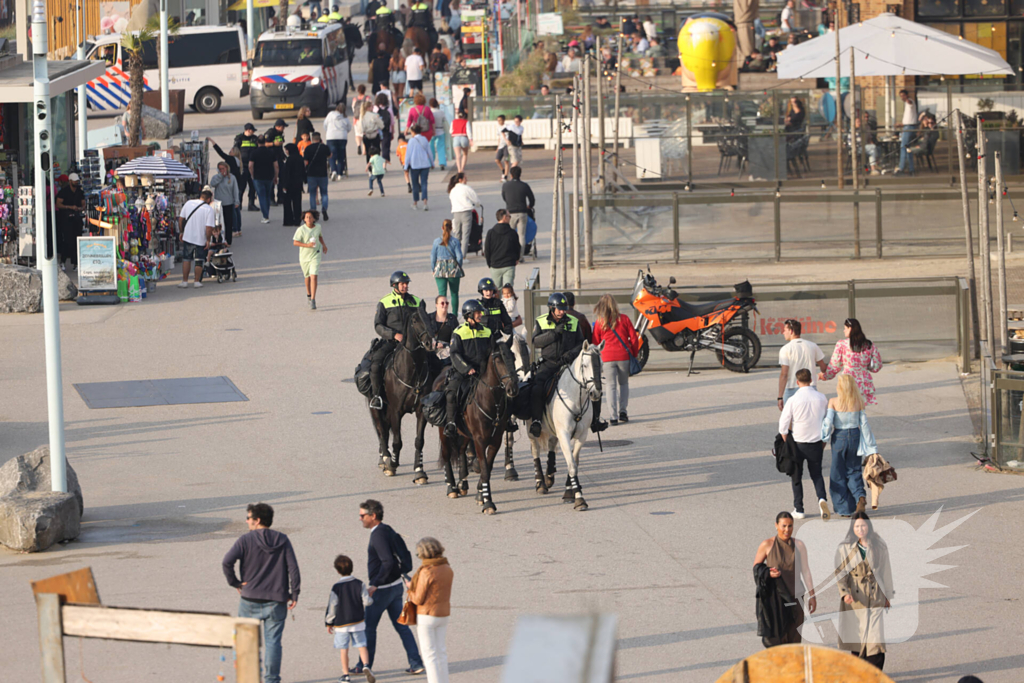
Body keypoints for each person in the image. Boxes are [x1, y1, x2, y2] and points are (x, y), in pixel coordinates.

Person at [222, 503, 301, 683]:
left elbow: (227, 562)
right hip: (277, 600)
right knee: (273, 642)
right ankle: (272, 679)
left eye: (249, 518)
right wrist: (294, 593)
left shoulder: (245, 540)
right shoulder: (283, 540)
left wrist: (235, 583)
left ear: (257, 520)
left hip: (249, 599)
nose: (246, 521)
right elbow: (293, 569)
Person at [358, 499, 425, 674]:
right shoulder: (387, 529)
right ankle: (416, 663)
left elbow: (387, 561)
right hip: (396, 587)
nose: (360, 519)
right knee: (402, 627)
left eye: (362, 515)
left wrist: (375, 585)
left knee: (368, 627)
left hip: (382, 590)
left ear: (373, 516)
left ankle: (363, 665)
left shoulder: (377, 535)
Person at [835, 513, 892, 670]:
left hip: (875, 596)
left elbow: (886, 571)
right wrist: (844, 593)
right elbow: (840, 573)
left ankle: (875, 674)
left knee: (876, 639)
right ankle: (860, 673)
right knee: (858, 638)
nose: (861, 529)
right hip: (855, 598)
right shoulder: (845, 548)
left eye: (863, 525)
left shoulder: (879, 545)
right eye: (857, 526)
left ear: (869, 526)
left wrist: (887, 595)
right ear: (853, 528)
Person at [753, 512, 816, 647]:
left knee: (794, 637)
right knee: (777, 638)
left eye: (790, 526)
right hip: (775, 600)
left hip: (795, 598)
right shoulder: (767, 545)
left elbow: (806, 571)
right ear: (776, 525)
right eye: (783, 526)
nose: (787, 530)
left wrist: (812, 595)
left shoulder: (799, 545)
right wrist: (768, 573)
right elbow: (756, 568)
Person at [369, 272, 428, 410]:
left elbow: (424, 322)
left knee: (433, 362)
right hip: (392, 342)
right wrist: (394, 335)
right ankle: (377, 396)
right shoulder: (384, 302)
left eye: (406, 283)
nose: (405, 286)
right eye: (402, 284)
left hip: (414, 343)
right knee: (375, 364)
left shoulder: (416, 301)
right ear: (394, 285)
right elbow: (378, 325)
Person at [529, 293, 585, 437]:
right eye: (559, 309)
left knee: (588, 384)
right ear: (551, 308)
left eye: (564, 309)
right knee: (536, 388)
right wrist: (554, 333)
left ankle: (595, 420)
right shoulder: (541, 321)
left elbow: (581, 343)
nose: (562, 312)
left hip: (568, 364)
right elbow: (535, 342)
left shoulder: (573, 321)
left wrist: (571, 355)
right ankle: (536, 421)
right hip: (549, 363)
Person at [779, 368, 830, 520]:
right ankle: (822, 499)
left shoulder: (793, 400)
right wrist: (824, 441)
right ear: (811, 380)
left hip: (798, 442)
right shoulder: (821, 398)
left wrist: (786, 441)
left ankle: (799, 508)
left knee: (796, 476)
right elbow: (827, 421)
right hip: (816, 441)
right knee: (817, 474)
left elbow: (783, 424)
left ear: (797, 382)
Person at [822, 374, 875, 516]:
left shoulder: (833, 401)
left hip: (839, 436)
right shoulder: (858, 402)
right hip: (855, 436)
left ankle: (844, 508)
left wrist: (824, 438)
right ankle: (860, 497)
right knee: (854, 470)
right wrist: (871, 447)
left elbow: (828, 422)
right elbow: (864, 425)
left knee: (837, 473)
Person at [403, 538, 454, 683]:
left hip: (427, 615)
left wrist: (410, 588)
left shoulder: (426, 571)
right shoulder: (447, 568)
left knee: (429, 655)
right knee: (441, 653)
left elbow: (418, 599)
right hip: (443, 614)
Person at [445, 300, 494, 437]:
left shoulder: (487, 332)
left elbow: (492, 352)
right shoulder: (459, 332)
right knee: (451, 393)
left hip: (483, 372)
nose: (480, 315)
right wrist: (467, 369)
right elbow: (454, 353)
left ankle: (506, 420)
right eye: (477, 313)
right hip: (464, 372)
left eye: (480, 312)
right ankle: (451, 423)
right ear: (469, 315)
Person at [325, 554, 376, 683]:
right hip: (358, 622)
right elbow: (367, 602)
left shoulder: (336, 587)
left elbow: (333, 606)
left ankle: (346, 675)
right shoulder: (360, 584)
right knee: (362, 646)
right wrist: (370, 596)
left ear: (337, 571)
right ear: (352, 568)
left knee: (344, 650)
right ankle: (366, 666)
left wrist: (329, 622)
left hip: (342, 624)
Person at [590, 293, 639, 425]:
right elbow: (634, 339)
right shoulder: (624, 319)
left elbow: (595, 342)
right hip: (623, 356)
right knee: (623, 384)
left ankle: (613, 416)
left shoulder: (600, 322)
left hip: (607, 358)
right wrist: (634, 354)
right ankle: (623, 412)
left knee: (610, 386)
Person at [819, 318, 883, 405]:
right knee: (861, 408)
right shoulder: (869, 344)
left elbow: (835, 365)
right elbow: (877, 365)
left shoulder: (842, 344)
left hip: (847, 379)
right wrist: (864, 367)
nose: (843, 330)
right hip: (864, 380)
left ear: (850, 328)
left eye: (845, 328)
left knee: (848, 407)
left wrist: (826, 376)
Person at [777, 318, 828, 408]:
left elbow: (784, 374)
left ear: (791, 331)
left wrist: (780, 397)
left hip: (792, 388)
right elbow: (823, 367)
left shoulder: (785, 349)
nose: (783, 332)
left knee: (789, 419)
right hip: (811, 387)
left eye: (785, 330)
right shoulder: (812, 345)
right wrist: (822, 373)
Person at [177, 190, 216, 288]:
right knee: (199, 260)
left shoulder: (188, 203)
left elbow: (181, 219)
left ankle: (185, 281)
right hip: (200, 238)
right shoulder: (209, 209)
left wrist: (181, 232)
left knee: (186, 259)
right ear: (208, 199)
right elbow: (208, 228)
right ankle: (196, 281)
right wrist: (208, 240)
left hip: (188, 237)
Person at [292, 210, 328, 310]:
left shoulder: (318, 227)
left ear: (314, 219)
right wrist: (307, 245)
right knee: (307, 277)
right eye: (306, 217)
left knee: (314, 276)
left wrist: (324, 245)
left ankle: (313, 299)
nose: (308, 219)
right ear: (304, 219)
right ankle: (308, 294)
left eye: (310, 217)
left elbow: (320, 236)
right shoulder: (301, 230)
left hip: (315, 254)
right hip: (304, 257)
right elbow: (295, 242)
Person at [432, 219, 464, 312]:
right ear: (451, 228)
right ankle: (454, 314)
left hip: (440, 269)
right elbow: (460, 257)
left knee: (442, 294)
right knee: (454, 293)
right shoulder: (455, 241)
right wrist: (458, 267)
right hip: (453, 269)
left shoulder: (436, 241)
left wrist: (433, 269)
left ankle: (442, 313)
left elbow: (433, 257)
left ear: (442, 228)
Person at [55, 172, 85, 270]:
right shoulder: (64, 191)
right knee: (67, 241)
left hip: (76, 218)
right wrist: (69, 207)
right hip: (66, 219)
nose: (76, 183)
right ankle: (63, 261)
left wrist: (80, 208)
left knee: (77, 240)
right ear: (70, 181)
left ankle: (76, 263)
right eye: (74, 181)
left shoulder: (79, 192)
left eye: (77, 181)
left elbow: (83, 204)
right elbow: (58, 204)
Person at [501, 166, 535, 255]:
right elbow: (532, 199)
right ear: (520, 174)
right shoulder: (524, 185)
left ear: (511, 175)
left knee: (510, 234)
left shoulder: (505, 185)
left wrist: (509, 203)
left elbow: (504, 197)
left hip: (510, 213)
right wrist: (529, 206)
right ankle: (520, 256)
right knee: (521, 235)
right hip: (522, 212)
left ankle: (511, 254)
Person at [483, 209, 520, 287]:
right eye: (509, 216)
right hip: (509, 265)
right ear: (504, 217)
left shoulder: (491, 232)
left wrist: (489, 263)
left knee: (496, 291)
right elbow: (517, 247)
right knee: (508, 289)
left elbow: (487, 249)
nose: (510, 218)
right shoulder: (512, 233)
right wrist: (516, 258)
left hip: (495, 265)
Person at [250, 135, 280, 224]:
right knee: (267, 195)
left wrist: (252, 175)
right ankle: (266, 213)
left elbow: (250, 165)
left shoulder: (254, 153)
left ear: (257, 142)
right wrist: (276, 176)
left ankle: (265, 216)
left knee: (261, 196)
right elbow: (276, 166)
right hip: (269, 176)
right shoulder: (271, 152)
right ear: (265, 141)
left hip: (258, 177)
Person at [209, 162, 240, 246]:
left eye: (223, 168)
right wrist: (220, 176)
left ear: (227, 168)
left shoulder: (232, 178)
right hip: (218, 204)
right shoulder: (216, 177)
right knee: (218, 223)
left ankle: (228, 240)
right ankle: (218, 240)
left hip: (228, 203)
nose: (222, 170)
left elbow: (235, 190)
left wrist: (236, 201)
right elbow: (212, 184)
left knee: (228, 222)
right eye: (220, 169)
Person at [428, 295, 459, 378]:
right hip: (431, 351)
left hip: (447, 352)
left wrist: (446, 345)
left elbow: (456, 337)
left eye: (447, 303)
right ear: (436, 305)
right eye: (442, 303)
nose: (445, 305)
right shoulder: (429, 318)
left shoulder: (452, 319)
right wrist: (434, 344)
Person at [304, 131, 332, 220]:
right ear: (320, 139)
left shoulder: (308, 148)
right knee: (324, 193)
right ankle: (324, 209)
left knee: (312, 194)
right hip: (322, 173)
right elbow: (330, 155)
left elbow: (305, 162)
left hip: (311, 174)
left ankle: (313, 212)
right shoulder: (324, 147)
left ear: (312, 139)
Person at [476, 276, 514, 341]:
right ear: (481, 291)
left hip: (498, 338)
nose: (489, 293)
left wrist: (506, 334)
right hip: (482, 339)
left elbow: (507, 322)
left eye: (490, 290)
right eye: (486, 290)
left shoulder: (498, 304)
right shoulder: (478, 305)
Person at [405, 127, 433, 211]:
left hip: (415, 165)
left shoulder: (411, 141)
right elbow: (429, 152)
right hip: (425, 165)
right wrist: (432, 163)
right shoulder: (424, 139)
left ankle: (415, 203)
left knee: (415, 184)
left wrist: (406, 166)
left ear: (413, 132)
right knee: (424, 183)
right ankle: (425, 203)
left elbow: (408, 155)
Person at [447, 173, 478, 247]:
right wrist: (478, 204)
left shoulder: (452, 190)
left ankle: (456, 254)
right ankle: (463, 256)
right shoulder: (466, 188)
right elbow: (476, 200)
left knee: (457, 234)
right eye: (465, 178)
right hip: (466, 212)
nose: (466, 179)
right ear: (460, 180)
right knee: (465, 235)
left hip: (456, 213)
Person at [280, 143, 306, 227]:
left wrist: (284, 185)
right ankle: (297, 220)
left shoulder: (289, 160)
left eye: (286, 150)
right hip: (298, 184)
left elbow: (287, 174)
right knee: (297, 202)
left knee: (287, 203)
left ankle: (289, 220)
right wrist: (304, 180)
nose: (286, 152)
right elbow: (303, 170)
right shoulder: (300, 158)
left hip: (289, 184)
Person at [265, 119, 289, 204]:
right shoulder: (270, 132)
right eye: (283, 127)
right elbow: (264, 144)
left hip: (279, 158)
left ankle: (280, 197)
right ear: (278, 126)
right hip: (271, 159)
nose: (284, 129)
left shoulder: (280, 134)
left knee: (282, 178)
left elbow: (280, 146)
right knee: (272, 178)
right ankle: (271, 198)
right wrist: (273, 144)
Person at [325, 102, 351, 180]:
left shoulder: (330, 115)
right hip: (342, 137)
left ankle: (333, 171)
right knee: (341, 155)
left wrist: (329, 131)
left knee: (331, 154)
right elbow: (349, 128)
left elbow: (325, 124)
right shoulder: (345, 118)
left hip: (331, 137)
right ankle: (340, 173)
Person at [897, 89, 918, 175]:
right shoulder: (906, 104)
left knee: (903, 147)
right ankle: (911, 168)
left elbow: (910, 102)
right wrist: (901, 124)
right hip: (907, 126)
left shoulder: (910, 102)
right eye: (901, 96)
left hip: (909, 128)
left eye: (903, 95)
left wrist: (907, 99)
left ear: (906, 95)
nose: (902, 97)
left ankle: (901, 168)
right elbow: (909, 118)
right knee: (907, 148)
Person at [450, 108, 472, 174]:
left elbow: (450, 131)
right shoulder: (466, 121)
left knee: (458, 155)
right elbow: (469, 131)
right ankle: (462, 168)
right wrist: (471, 139)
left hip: (456, 138)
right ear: (464, 116)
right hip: (464, 138)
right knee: (465, 154)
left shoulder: (453, 121)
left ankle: (459, 169)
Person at [375, 93, 396, 162]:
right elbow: (392, 122)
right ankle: (384, 164)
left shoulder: (375, 109)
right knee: (385, 148)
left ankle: (377, 163)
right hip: (387, 131)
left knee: (377, 147)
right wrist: (392, 132)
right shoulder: (389, 109)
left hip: (377, 131)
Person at [429, 98, 447, 170]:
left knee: (431, 148)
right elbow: (445, 121)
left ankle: (431, 163)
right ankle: (442, 163)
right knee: (441, 148)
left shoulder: (430, 112)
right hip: (441, 130)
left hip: (432, 132)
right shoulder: (441, 112)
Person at [353, 85, 371, 155]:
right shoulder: (367, 98)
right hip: (365, 118)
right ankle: (364, 150)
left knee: (358, 134)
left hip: (356, 119)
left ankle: (358, 145)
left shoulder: (355, 99)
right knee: (365, 134)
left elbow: (353, 108)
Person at [494, 114, 510, 180]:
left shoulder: (507, 127)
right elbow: (499, 138)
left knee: (506, 161)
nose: (499, 121)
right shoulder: (498, 128)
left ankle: (505, 176)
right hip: (501, 145)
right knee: (497, 160)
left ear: (503, 120)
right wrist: (498, 147)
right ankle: (503, 170)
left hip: (506, 145)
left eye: (500, 120)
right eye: (498, 120)